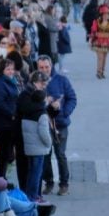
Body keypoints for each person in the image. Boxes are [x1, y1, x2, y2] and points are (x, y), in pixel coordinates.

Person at [37, 55, 76, 197]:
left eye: (47, 67)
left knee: (60, 154)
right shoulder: (35, 81)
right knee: (46, 155)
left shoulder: (61, 80)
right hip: (43, 125)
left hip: (60, 124)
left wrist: (65, 112)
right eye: (41, 67)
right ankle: (48, 182)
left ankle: (64, 184)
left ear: (51, 66)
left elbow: (72, 98)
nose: (44, 70)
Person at [17, 72, 53, 204]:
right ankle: (33, 196)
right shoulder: (41, 114)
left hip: (29, 147)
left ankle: (32, 195)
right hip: (39, 148)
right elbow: (44, 132)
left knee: (32, 171)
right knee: (36, 173)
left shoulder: (28, 112)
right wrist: (49, 144)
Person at [89, 4, 109, 79]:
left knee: (104, 58)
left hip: (107, 43)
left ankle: (102, 72)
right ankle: (99, 72)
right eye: (104, 14)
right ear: (101, 15)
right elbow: (93, 31)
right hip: (98, 42)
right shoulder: (96, 22)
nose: (106, 16)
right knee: (100, 58)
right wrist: (92, 38)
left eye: (107, 14)